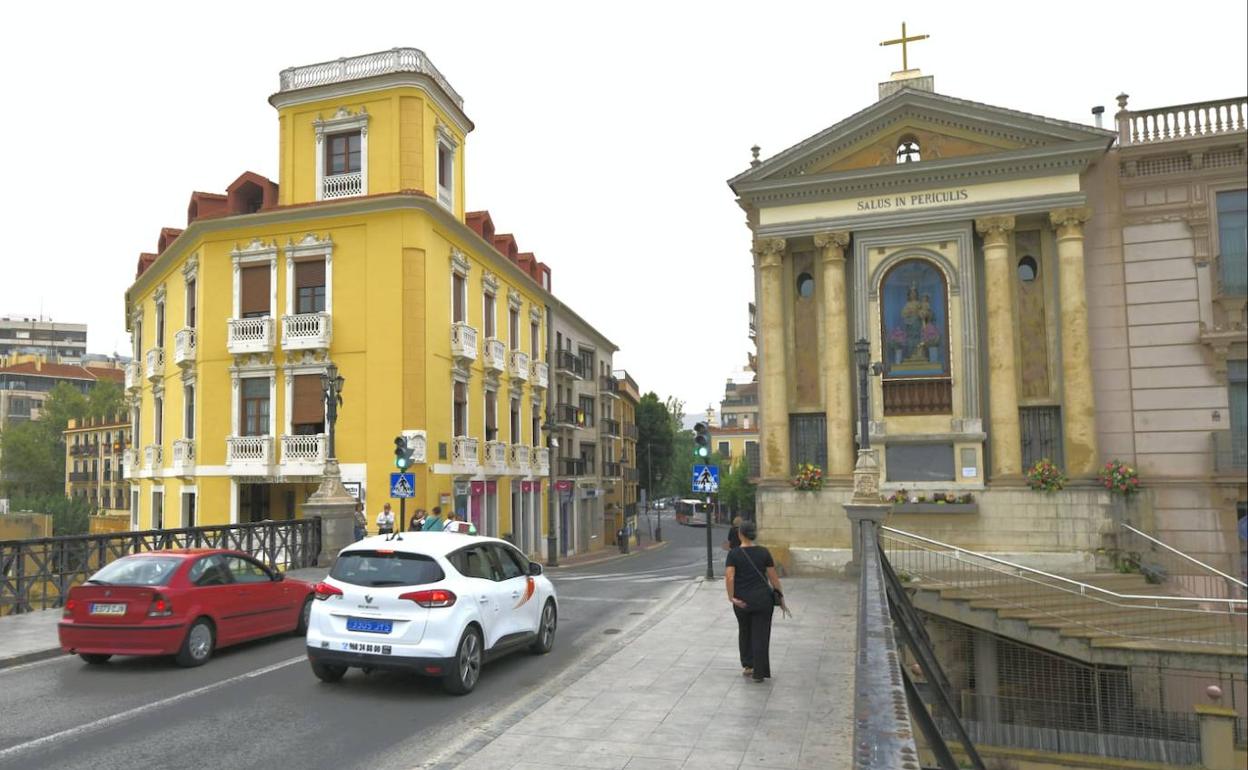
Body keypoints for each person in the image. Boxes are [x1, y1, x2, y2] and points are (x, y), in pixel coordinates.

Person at [724, 520, 784, 683]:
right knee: (761, 634)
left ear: (740, 534)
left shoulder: (734, 554)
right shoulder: (764, 552)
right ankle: (760, 671)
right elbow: (773, 578)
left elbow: (730, 576)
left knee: (745, 631)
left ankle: (748, 665)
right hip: (763, 599)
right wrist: (781, 596)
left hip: (742, 600)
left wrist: (731, 597)